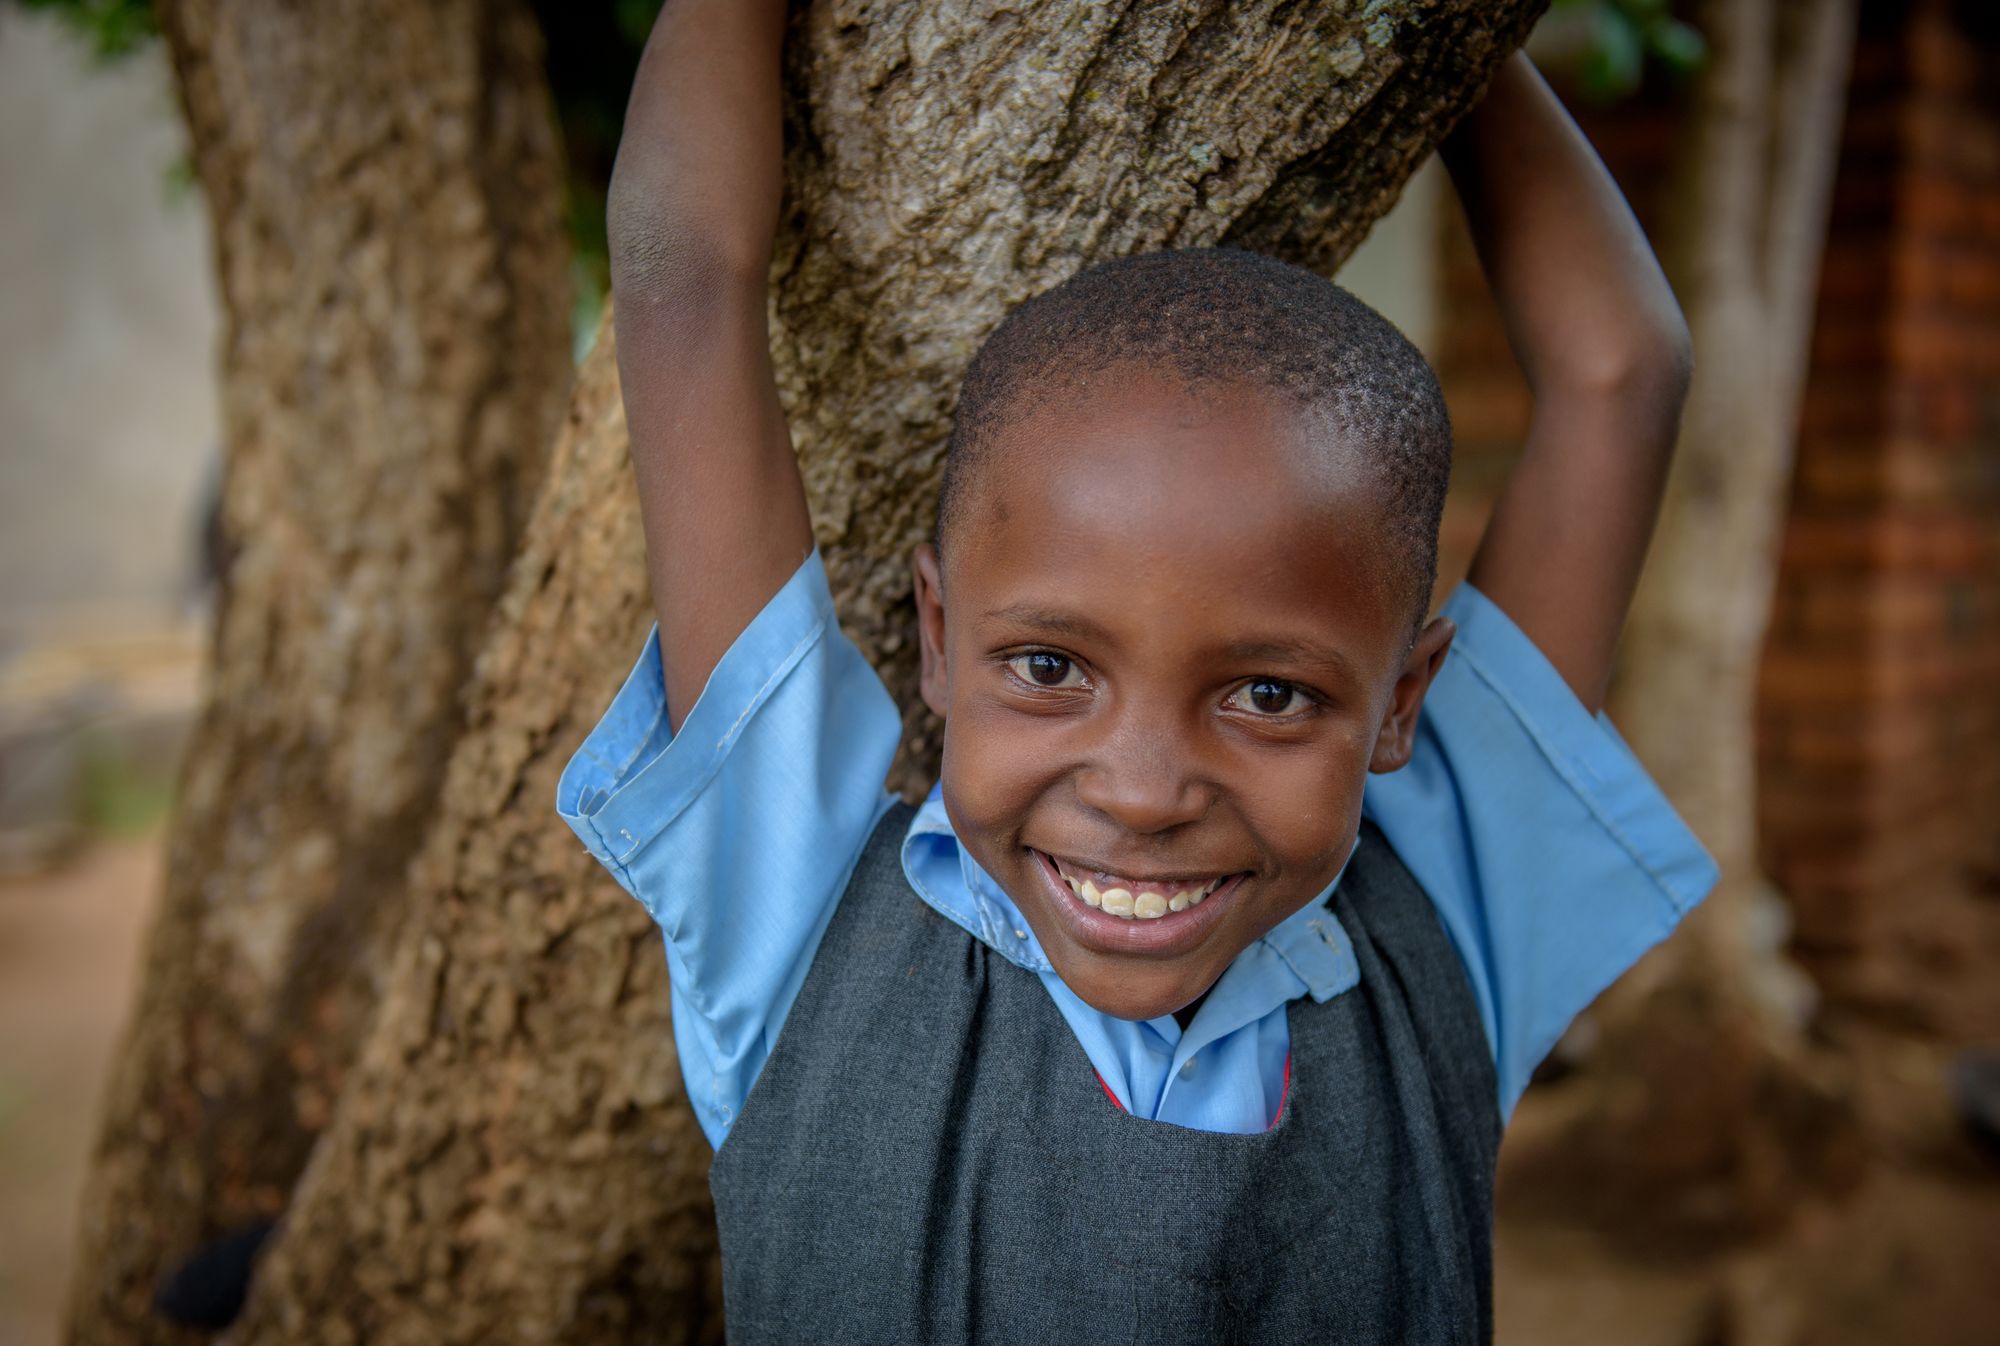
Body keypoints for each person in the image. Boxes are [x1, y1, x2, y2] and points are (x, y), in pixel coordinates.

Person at [558, 1, 1715, 1341]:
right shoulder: (800, 912)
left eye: (1268, 694)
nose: (1148, 789)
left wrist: (1440, 26)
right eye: (1051, 664)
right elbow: (679, 276)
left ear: (1402, 700)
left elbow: (1625, 377)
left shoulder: (1442, 929)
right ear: (941, 639)